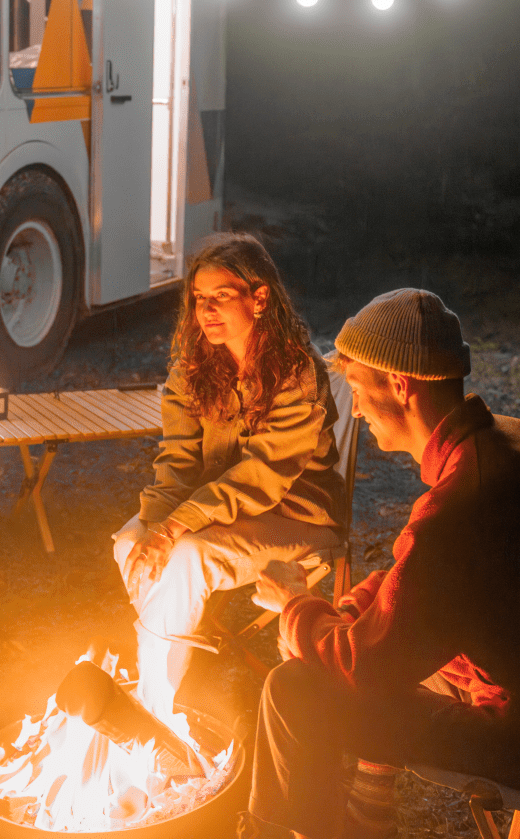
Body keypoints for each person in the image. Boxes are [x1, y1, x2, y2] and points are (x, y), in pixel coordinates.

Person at [242, 289, 520, 839]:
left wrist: (295, 609)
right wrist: (349, 609)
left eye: (359, 390)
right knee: (378, 647)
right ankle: (367, 812)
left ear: (400, 385)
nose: (354, 409)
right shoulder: (517, 440)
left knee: (294, 690)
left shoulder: (463, 501)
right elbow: (418, 583)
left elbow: (366, 663)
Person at [113, 233, 347, 719]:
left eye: (221, 296)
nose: (207, 310)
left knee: (190, 555)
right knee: (127, 543)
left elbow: (259, 477)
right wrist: (156, 527)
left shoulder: (295, 373)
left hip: (296, 515)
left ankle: (154, 702)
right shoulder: (195, 369)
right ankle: (162, 672)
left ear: (259, 298)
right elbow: (177, 461)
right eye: (199, 299)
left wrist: (174, 530)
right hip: (218, 512)